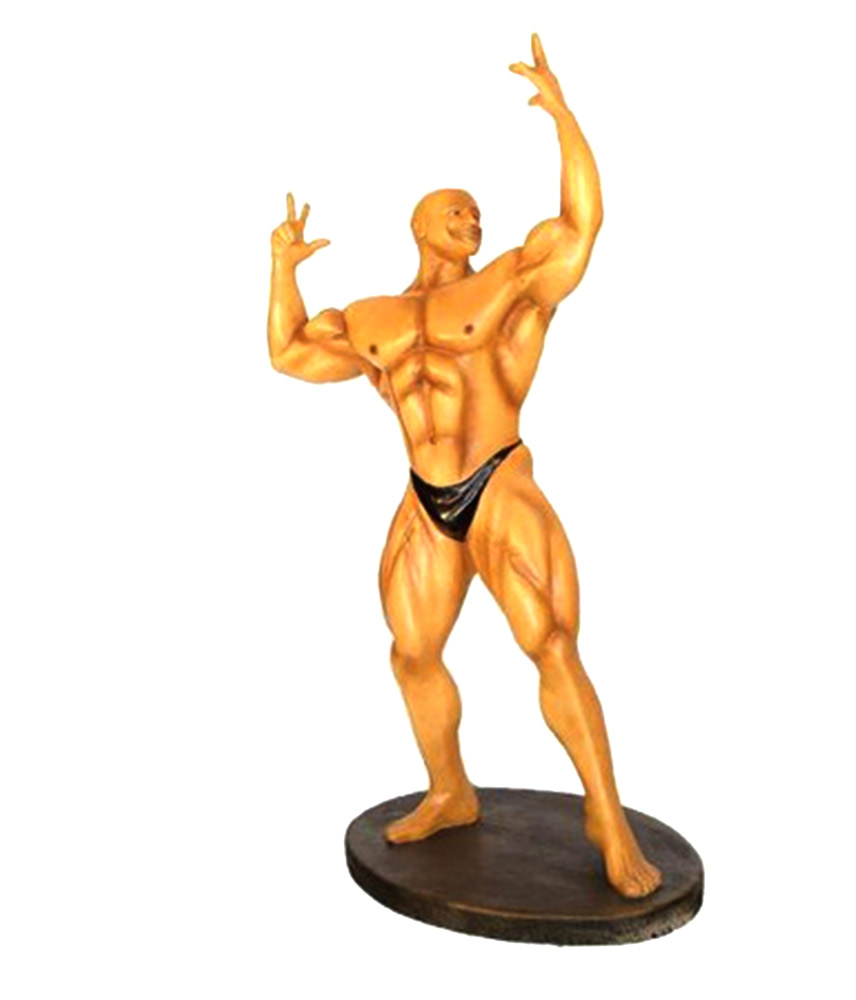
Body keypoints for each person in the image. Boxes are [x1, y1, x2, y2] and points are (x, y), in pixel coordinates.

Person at [267, 34, 661, 898]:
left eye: (477, 212)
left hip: (499, 482)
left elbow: (581, 227)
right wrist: (281, 269)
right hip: (425, 499)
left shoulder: (509, 283)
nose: (472, 220)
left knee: (551, 644)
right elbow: (290, 353)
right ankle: (450, 792)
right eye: (457, 211)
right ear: (420, 224)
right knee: (412, 653)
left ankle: (608, 818)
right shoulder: (372, 317)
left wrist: (564, 121)